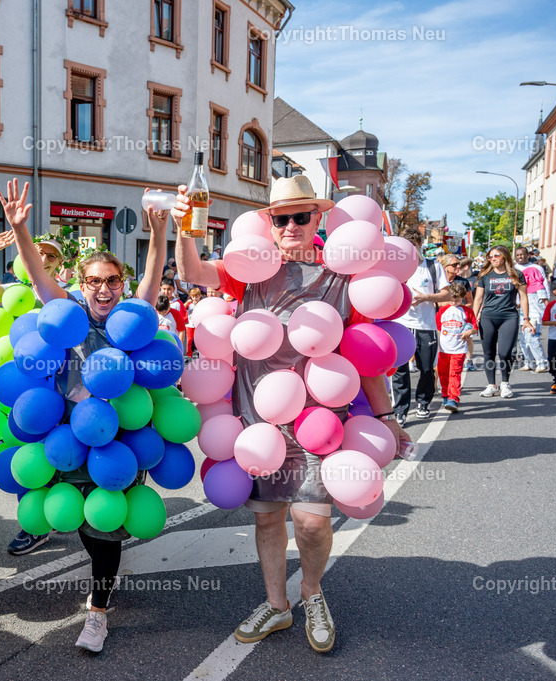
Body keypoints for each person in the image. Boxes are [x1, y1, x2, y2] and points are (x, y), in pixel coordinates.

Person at [172, 174, 410, 655]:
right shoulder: (252, 269)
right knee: (267, 521)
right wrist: (183, 228)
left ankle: (312, 593)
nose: (291, 225)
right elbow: (194, 272)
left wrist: (385, 417)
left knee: (313, 523)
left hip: (319, 421)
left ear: (318, 218)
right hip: (257, 420)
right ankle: (278, 605)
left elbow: (365, 360)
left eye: (301, 216)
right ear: (271, 223)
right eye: (282, 218)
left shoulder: (343, 277)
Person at [0, 178, 167, 653]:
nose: (104, 289)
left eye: (113, 280)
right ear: (81, 282)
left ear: (121, 284)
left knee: (107, 525)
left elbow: (153, 276)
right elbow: (36, 278)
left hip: (119, 435)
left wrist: (157, 232)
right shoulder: (66, 312)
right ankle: (103, 577)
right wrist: (20, 231)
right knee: (83, 526)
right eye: (94, 280)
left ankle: (97, 613)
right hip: (69, 433)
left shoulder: (132, 316)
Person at [0, 222, 68, 556]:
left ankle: (45, 520)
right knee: (21, 451)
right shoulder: (12, 290)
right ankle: (36, 522)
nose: (44, 257)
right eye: (39, 251)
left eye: (51, 256)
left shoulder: (60, 295)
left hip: (55, 388)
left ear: (59, 265)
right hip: (15, 387)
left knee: (55, 454)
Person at [391, 227, 452, 425]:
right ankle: (400, 410)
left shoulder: (433, 267)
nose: (410, 252)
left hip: (426, 326)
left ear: (419, 247)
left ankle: (423, 403)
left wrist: (425, 297)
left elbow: (447, 294)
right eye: (406, 248)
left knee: (426, 368)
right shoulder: (395, 267)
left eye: (413, 247)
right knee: (400, 369)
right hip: (401, 325)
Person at [473, 245, 534, 398]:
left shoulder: (516, 274)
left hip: (509, 316)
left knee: (505, 352)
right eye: (491, 256)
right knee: (489, 352)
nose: (493, 259)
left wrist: (526, 319)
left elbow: (524, 297)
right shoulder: (484, 275)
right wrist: (473, 319)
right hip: (488, 317)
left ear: (505, 256)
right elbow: (478, 299)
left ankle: (505, 383)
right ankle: (491, 385)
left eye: (497, 255)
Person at [435, 282, 477, 413]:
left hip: (459, 349)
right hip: (443, 349)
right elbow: (437, 328)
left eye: (457, 299)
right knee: (443, 373)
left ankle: (453, 398)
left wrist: (469, 332)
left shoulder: (467, 311)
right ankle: (446, 396)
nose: (454, 301)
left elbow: (475, 328)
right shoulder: (442, 311)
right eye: (451, 299)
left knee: (455, 373)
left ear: (463, 297)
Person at [514, 247, 551, 373]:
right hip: (521, 312)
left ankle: (542, 362)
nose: (520, 257)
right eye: (518, 255)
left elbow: (545, 291)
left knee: (532, 337)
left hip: (535, 312)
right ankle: (528, 362)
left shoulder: (537, 273)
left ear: (527, 255)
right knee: (523, 338)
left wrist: (548, 311)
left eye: (522, 255)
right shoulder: (514, 269)